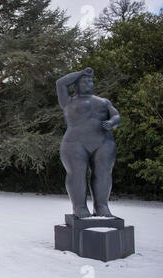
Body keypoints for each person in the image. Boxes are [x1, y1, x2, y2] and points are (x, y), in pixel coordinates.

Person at [56, 67, 120, 218]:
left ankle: (102, 206)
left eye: (90, 81)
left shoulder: (104, 102)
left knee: (103, 173)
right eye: (83, 81)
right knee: (77, 174)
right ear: (75, 85)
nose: (88, 83)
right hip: (75, 142)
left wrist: (112, 122)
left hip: (103, 142)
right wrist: (82, 73)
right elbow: (60, 83)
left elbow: (116, 115)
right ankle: (79, 207)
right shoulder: (68, 101)